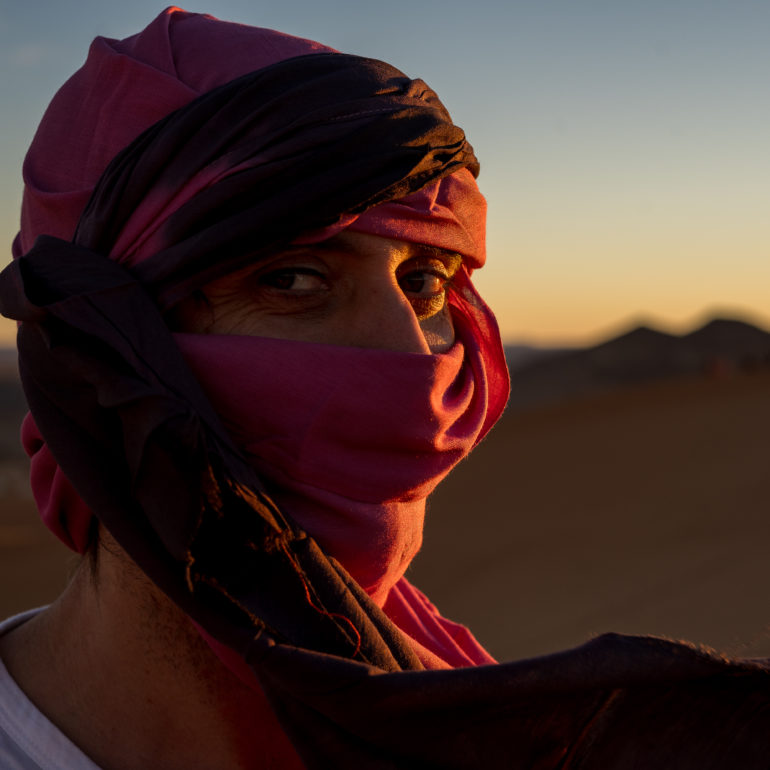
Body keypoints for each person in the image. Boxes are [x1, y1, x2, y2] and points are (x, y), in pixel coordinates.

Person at [0, 8, 768, 770]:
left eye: (425, 280)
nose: (409, 355)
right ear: (95, 349)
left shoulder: (458, 717)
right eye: (291, 279)